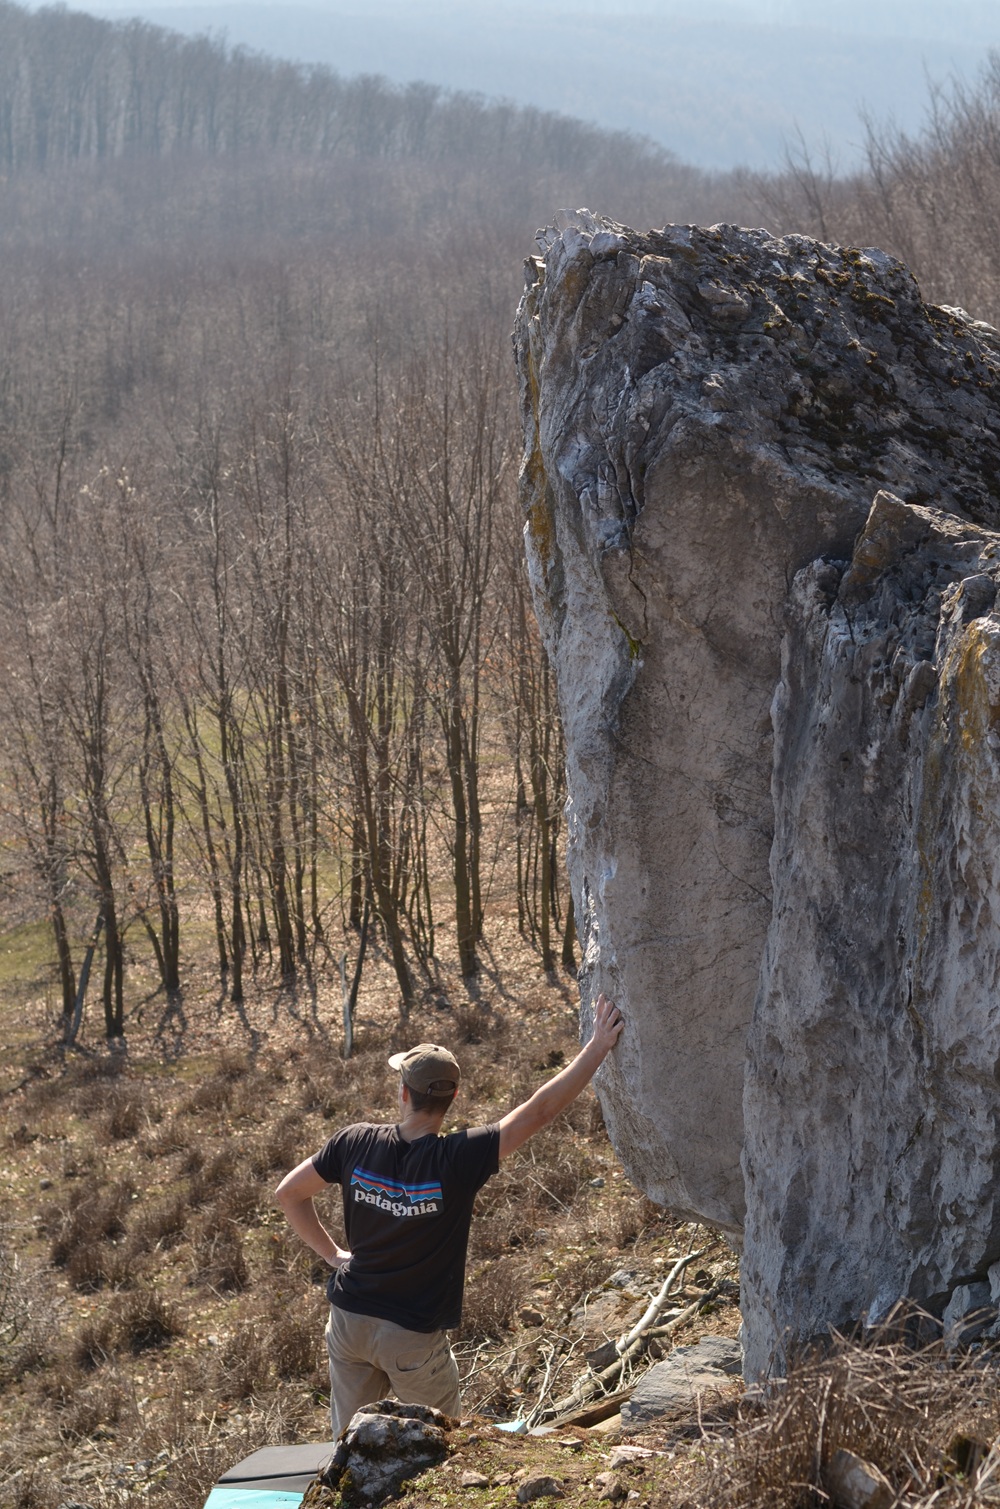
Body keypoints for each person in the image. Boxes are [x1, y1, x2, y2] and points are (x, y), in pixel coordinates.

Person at [274, 991, 624, 1433]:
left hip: (349, 1320)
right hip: (412, 1336)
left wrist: (332, 1255)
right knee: (441, 1447)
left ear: (403, 1092)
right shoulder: (458, 1158)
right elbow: (539, 1111)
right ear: (452, 1096)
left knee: (350, 1446)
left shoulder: (355, 1141)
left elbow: (289, 1193)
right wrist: (597, 1048)